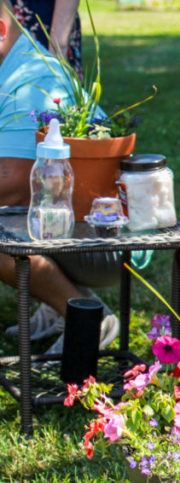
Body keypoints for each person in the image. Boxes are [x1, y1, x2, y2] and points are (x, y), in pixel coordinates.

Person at [0, 0, 117, 354]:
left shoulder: (30, 79)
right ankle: (57, 304)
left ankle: (86, 315)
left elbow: (12, 185)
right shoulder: (14, 66)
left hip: (105, 240)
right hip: (75, 221)